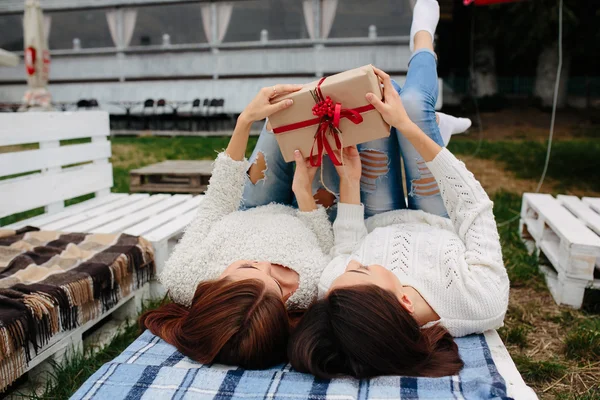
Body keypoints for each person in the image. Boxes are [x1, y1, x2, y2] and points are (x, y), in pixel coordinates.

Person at [288, 0, 509, 379]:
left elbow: (345, 245)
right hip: (439, 213)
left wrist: (350, 182)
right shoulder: (481, 301)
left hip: (380, 212)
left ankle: (431, 126)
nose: (351, 262)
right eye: (361, 270)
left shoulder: (338, 294)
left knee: (368, 112)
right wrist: (409, 128)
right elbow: (473, 206)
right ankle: (423, 43)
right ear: (405, 301)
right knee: (408, 106)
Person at [140, 84, 334, 370]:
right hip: (309, 211)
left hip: (253, 204)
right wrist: (303, 192)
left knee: (279, 117)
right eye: (278, 282)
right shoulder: (313, 290)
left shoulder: (185, 277)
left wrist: (244, 121)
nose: (265, 263)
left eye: (247, 267)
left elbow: (216, 204)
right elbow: (327, 242)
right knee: (323, 127)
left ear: (211, 289)